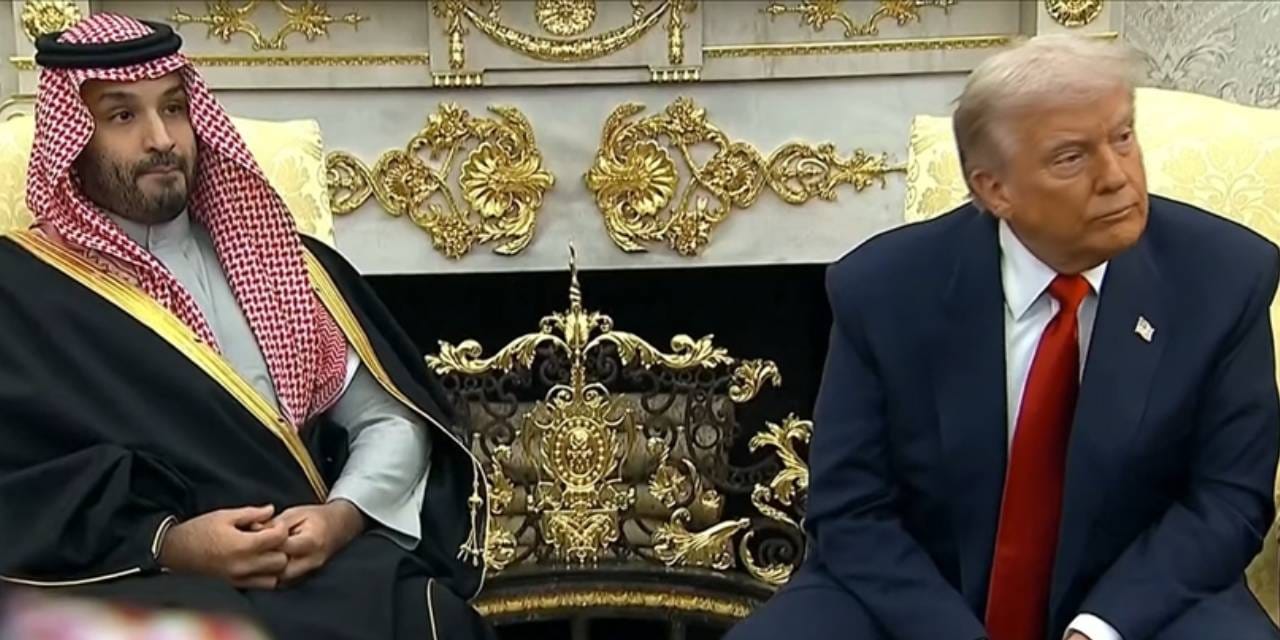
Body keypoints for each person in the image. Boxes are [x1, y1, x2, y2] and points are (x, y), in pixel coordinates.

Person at [728, 34, 1280, 640]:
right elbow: (851, 511)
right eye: (1070, 158)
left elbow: (1227, 500)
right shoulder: (883, 290)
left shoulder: (1225, 278)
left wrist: (1100, 629)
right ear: (995, 189)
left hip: (1139, 599)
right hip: (920, 599)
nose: (1117, 176)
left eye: (1123, 136)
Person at [0, 13, 494, 640]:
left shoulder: (283, 261)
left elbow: (388, 421)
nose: (161, 139)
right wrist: (171, 544)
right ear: (71, 139)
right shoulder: (21, 290)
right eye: (122, 116)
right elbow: (20, 485)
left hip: (310, 564)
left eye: (174, 109)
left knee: (432, 618)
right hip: (131, 575)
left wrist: (338, 519)